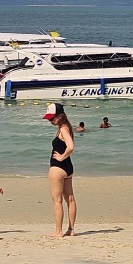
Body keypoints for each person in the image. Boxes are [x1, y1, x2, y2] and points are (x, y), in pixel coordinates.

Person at [44, 102, 77, 237]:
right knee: (70, 199)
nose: (50, 121)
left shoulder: (63, 129)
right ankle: (71, 229)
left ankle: (58, 231)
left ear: (60, 116)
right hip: (68, 168)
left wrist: (61, 157)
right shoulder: (66, 127)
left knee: (57, 201)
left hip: (58, 168)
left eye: (52, 118)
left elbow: (71, 147)